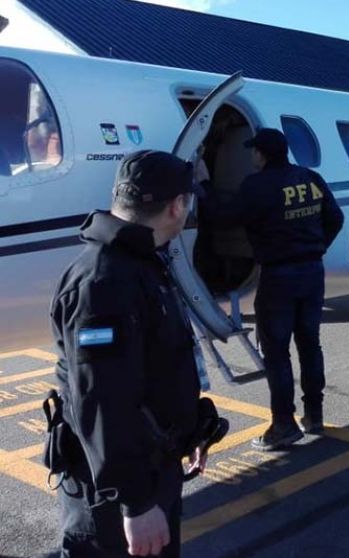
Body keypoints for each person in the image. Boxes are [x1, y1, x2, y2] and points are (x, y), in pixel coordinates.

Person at [49, 150, 210, 557]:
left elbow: (150, 369)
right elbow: (102, 400)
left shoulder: (139, 262)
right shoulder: (103, 282)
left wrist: (190, 429)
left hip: (151, 470)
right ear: (176, 207)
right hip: (113, 499)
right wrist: (134, 503)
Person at [202, 128, 344, 451]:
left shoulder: (257, 186)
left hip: (279, 277)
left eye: (254, 151)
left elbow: (223, 218)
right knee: (310, 344)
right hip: (312, 273)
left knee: (277, 353)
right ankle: (314, 415)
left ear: (262, 154)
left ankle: (283, 424)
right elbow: (333, 218)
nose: (251, 156)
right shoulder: (310, 178)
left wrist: (204, 186)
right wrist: (316, 246)